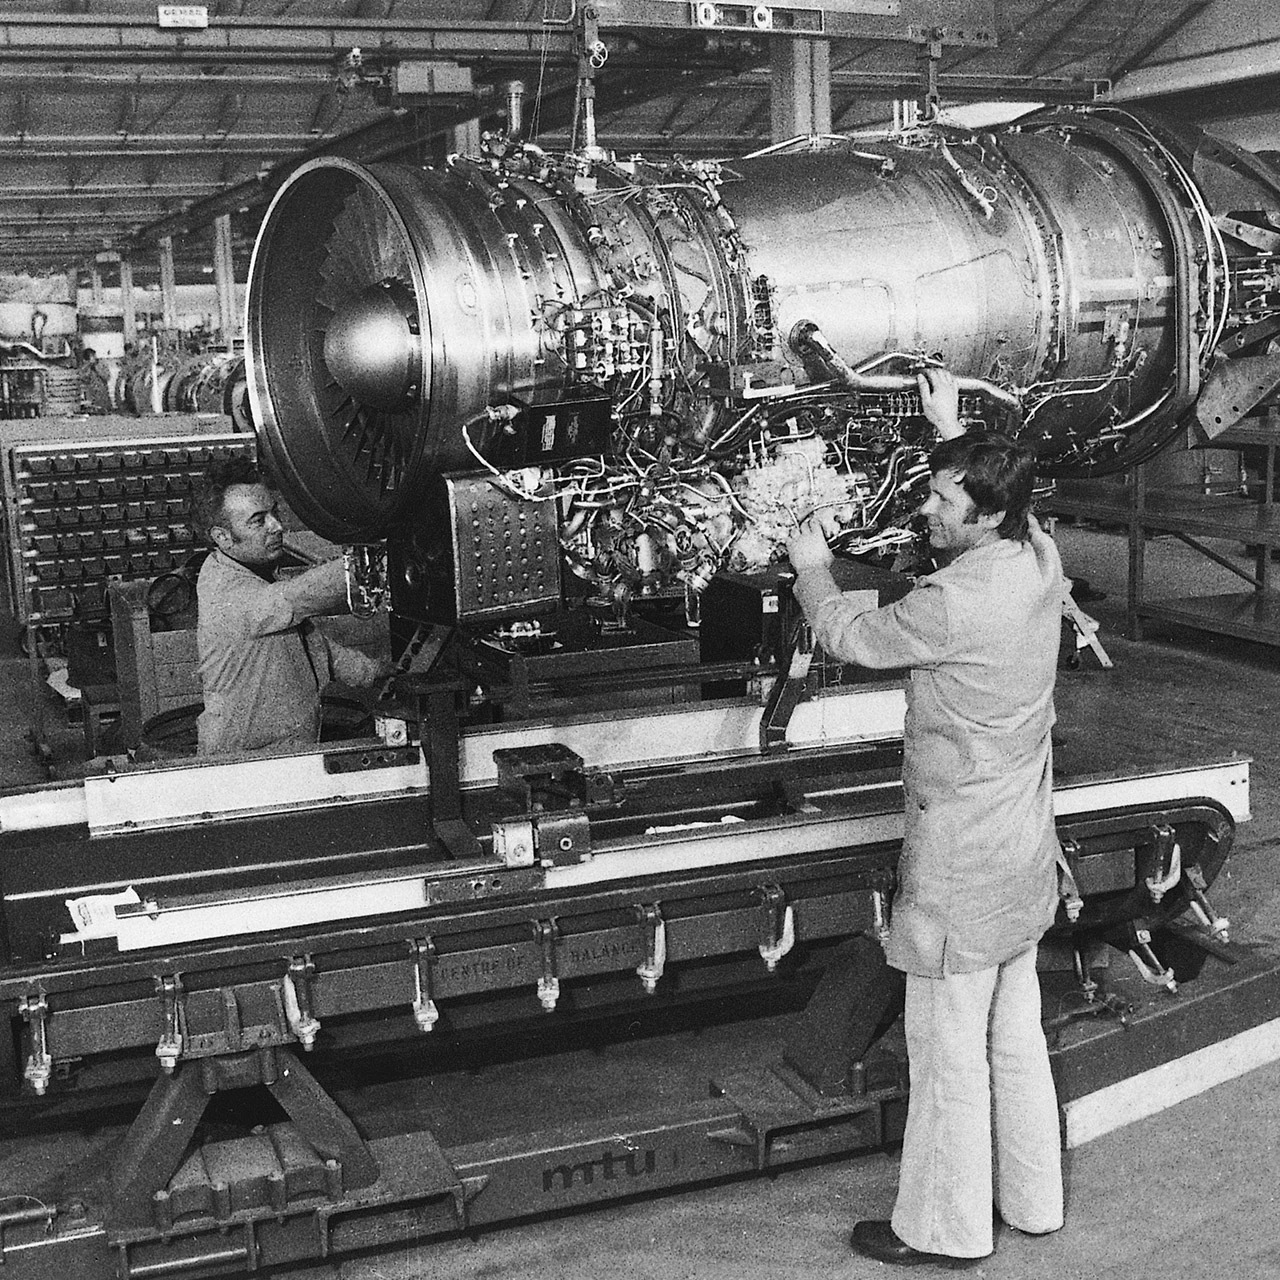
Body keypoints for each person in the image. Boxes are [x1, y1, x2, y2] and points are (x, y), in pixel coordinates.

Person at [786, 368, 1065, 1267]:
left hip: (961, 861)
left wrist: (811, 569)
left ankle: (944, 1232)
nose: (926, 508)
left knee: (947, 1051)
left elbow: (851, 637)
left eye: (944, 499)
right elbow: (1009, 503)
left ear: (986, 515)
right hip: (1021, 845)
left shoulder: (952, 603)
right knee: (1013, 1034)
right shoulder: (1037, 557)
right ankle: (1034, 1204)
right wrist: (947, 432)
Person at [192, 457, 384, 756]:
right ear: (223, 537)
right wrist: (369, 563)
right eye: (258, 521)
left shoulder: (253, 569)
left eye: (274, 513)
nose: (277, 526)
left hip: (285, 748)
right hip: (246, 760)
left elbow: (310, 642)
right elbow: (295, 599)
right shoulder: (224, 592)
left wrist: (371, 671)